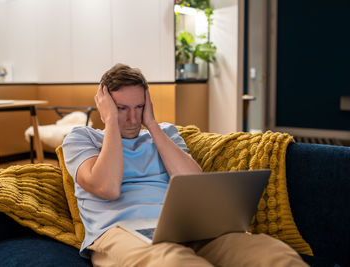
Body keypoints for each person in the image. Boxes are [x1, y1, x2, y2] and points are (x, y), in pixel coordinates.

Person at [62, 64, 307, 266]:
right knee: (175, 263)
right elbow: (107, 187)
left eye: (139, 107)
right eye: (122, 108)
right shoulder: (82, 138)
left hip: (184, 227)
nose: (133, 118)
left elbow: (193, 181)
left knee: (272, 254)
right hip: (120, 232)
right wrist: (111, 123)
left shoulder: (165, 133)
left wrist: (153, 125)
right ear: (105, 106)